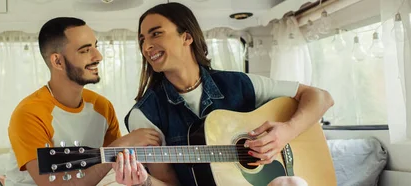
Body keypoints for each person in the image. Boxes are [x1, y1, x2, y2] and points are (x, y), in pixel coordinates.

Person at [112, 2, 334, 186]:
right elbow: (169, 182)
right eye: (142, 40)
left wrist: (286, 132)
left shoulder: (238, 83)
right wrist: (144, 182)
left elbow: (321, 97)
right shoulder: (145, 114)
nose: (147, 46)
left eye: (156, 34)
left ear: (187, 37)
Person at [6, 17, 163, 186]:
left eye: (95, 46)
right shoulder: (29, 114)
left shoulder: (102, 107)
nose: (98, 56)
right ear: (57, 61)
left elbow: (113, 167)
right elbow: (54, 184)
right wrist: (122, 143)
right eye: (85, 50)